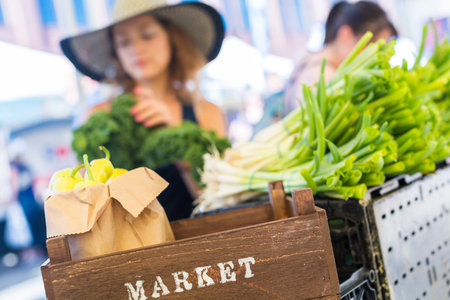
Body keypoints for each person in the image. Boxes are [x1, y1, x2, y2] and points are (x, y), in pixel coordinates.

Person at [61, 0, 226, 220]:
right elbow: (85, 209)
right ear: (116, 53)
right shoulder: (97, 118)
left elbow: (220, 203)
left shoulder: (206, 112)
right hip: (129, 249)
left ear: (172, 38)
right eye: (123, 42)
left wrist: (179, 140)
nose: (136, 49)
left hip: (198, 243)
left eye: (147, 35)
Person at [284, 0, 398, 112]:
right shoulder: (320, 76)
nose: (377, 56)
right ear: (346, 34)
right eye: (374, 46)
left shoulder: (316, 64)